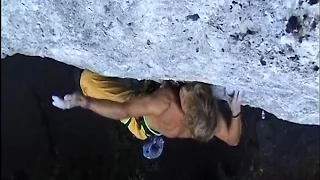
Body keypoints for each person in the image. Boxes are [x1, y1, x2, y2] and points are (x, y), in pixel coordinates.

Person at [52, 69, 242, 146]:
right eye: (192, 89)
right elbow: (233, 140)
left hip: (140, 122)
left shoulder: (164, 102)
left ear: (185, 110)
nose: (186, 89)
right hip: (154, 127)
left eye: (184, 95)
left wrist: (86, 102)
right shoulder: (205, 121)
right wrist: (235, 112)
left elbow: (123, 110)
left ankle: (81, 81)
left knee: (86, 79)